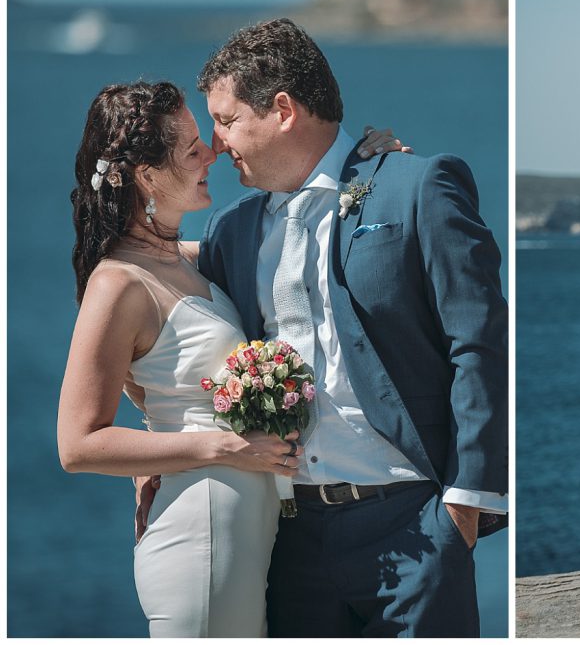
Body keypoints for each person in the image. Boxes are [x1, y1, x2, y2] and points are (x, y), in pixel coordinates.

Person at [193, 18, 508, 637]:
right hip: (287, 539)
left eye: (226, 120)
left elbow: (479, 341)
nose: (214, 142)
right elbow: (177, 317)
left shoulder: (415, 187)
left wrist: (467, 503)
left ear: (282, 110)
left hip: (415, 525)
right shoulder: (231, 230)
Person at [57, 80, 406, 637]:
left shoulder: (191, 259)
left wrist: (369, 170)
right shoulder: (118, 283)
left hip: (246, 534)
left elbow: (293, 235)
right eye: (192, 146)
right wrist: (220, 445)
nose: (212, 152)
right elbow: (78, 445)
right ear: (147, 175)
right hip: (203, 538)